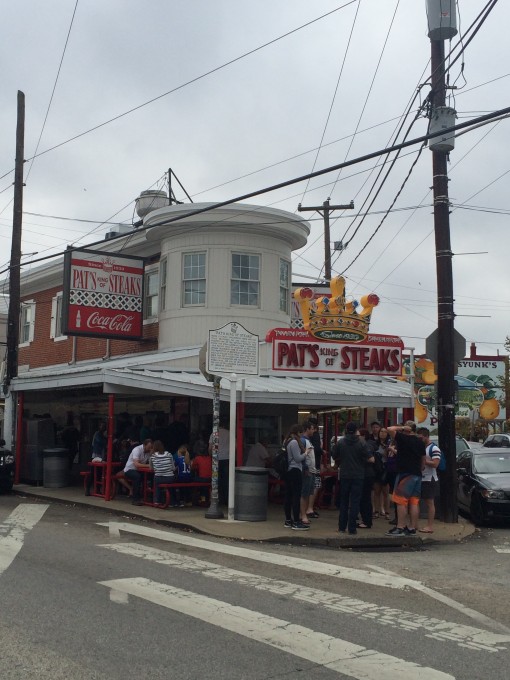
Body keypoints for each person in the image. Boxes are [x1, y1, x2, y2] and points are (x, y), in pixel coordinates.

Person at [385, 421, 426, 537]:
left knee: (400, 501)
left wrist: (401, 427)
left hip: (405, 473)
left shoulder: (403, 438)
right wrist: (421, 467)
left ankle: (400, 527)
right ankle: (412, 527)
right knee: (414, 502)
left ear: (407, 429)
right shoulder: (420, 442)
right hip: (417, 474)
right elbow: (423, 458)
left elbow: (389, 428)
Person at [333, 422, 374, 535]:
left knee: (344, 501)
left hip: (345, 475)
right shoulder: (362, 443)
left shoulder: (340, 442)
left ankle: (342, 527)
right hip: (358, 475)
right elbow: (371, 459)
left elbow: (334, 455)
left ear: (346, 429)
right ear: (356, 430)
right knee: (355, 501)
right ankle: (352, 528)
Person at [283, 423, 309, 530]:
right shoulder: (294, 442)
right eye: (301, 433)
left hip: (288, 471)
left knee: (288, 496)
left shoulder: (286, 441)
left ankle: (288, 520)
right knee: (296, 496)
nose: (302, 435)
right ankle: (296, 522)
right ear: (298, 432)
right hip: (295, 470)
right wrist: (306, 453)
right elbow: (298, 458)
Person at [417, 427, 441, 533]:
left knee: (429, 502)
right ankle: (415, 524)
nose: (420, 440)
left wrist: (424, 461)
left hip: (429, 478)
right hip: (420, 477)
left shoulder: (434, 448)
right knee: (416, 501)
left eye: (421, 437)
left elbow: (435, 464)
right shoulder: (421, 447)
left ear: (426, 436)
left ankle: (430, 526)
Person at [123, 439, 153, 505]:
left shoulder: (149, 452)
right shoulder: (137, 450)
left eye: (151, 447)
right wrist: (149, 465)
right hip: (130, 469)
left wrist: (152, 455)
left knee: (152, 476)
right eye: (149, 447)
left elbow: (152, 462)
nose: (150, 449)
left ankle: (152, 497)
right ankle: (135, 499)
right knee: (137, 477)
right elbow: (136, 464)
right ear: (144, 445)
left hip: (140, 470)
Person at [358, 428, 377, 529]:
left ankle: (366, 521)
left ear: (363, 436)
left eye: (359, 435)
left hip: (365, 474)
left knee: (364, 498)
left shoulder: (366, 445)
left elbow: (371, 459)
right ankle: (366, 520)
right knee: (366, 498)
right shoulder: (372, 444)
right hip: (369, 474)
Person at [306, 417, 324, 518]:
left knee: (307, 486)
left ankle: (306, 508)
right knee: (315, 486)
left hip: (307, 464)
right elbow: (316, 449)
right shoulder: (316, 436)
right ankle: (310, 508)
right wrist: (322, 451)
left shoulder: (303, 439)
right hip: (314, 464)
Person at [209, 419, 230, 506]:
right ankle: (227, 499)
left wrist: (211, 456)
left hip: (216, 459)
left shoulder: (214, 433)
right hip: (227, 459)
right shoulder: (229, 433)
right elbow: (235, 447)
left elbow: (210, 448)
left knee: (216, 480)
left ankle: (218, 499)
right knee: (226, 480)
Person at [299, 421, 316, 526]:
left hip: (311, 470)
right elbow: (302, 456)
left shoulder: (308, 441)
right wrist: (305, 468)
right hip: (307, 471)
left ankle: (303, 513)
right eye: (312, 428)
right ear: (307, 429)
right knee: (304, 494)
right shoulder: (303, 441)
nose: (313, 431)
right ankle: (302, 515)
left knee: (307, 494)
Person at [150, 439, 176, 507]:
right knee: (171, 487)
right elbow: (173, 468)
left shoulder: (152, 456)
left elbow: (151, 468)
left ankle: (156, 501)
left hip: (158, 478)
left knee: (156, 485)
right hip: (169, 478)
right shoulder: (169, 454)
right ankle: (172, 501)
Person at [372, 427, 391, 518]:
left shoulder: (389, 444)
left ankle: (387, 512)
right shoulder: (375, 444)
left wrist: (386, 449)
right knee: (376, 491)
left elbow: (388, 457)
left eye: (385, 432)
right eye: (381, 432)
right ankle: (376, 510)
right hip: (376, 469)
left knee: (386, 492)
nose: (382, 433)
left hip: (385, 469)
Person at [85, 422, 107, 495]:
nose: (103, 427)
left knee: (99, 473)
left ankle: (97, 489)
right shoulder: (97, 434)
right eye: (102, 426)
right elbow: (101, 442)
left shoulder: (102, 435)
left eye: (104, 426)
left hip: (101, 455)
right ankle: (88, 489)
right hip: (95, 456)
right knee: (93, 473)